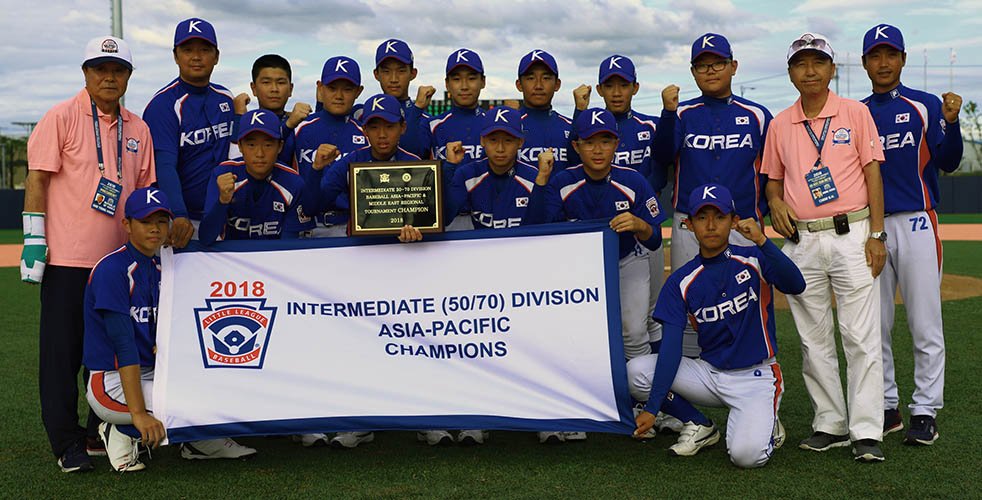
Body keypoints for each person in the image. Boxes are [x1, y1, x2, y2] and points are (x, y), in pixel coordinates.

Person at [23, 36, 155, 473]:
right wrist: (33, 238)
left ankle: (99, 430)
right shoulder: (59, 117)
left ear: (128, 77)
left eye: (118, 70)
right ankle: (66, 443)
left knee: (112, 354)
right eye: (100, 69)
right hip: (67, 261)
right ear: (85, 73)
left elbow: (144, 194)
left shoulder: (139, 129)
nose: (108, 77)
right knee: (62, 355)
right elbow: (38, 180)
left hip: (117, 265)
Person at [762, 32, 888, 462]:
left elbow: (873, 174)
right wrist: (775, 201)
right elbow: (772, 180)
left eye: (818, 62)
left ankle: (867, 430)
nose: (810, 71)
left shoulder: (855, 113)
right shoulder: (780, 124)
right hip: (802, 238)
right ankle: (830, 422)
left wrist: (876, 234)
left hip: (852, 232)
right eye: (801, 64)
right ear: (791, 72)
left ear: (833, 70)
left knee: (860, 335)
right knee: (812, 338)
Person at [628, 184, 804, 468]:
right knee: (636, 372)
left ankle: (765, 421)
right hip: (708, 374)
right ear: (688, 224)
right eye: (701, 217)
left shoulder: (753, 260)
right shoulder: (681, 281)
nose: (710, 225)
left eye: (719, 217)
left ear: (734, 221)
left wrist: (762, 241)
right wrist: (653, 406)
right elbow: (671, 347)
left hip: (755, 377)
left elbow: (796, 284)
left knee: (746, 457)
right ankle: (700, 424)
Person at [531, 108, 666, 443]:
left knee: (634, 332)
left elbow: (652, 239)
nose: (597, 149)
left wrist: (639, 224)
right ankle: (579, 408)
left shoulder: (632, 180)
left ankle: (646, 406)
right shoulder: (564, 181)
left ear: (615, 144)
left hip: (625, 259)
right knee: (577, 336)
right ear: (576, 146)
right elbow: (536, 227)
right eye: (590, 142)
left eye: (605, 140)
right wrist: (543, 178)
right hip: (578, 269)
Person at [859, 24, 963, 445]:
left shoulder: (925, 105)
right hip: (872, 227)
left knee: (925, 321)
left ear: (902, 59)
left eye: (890, 54)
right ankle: (886, 406)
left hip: (919, 221)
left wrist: (952, 123)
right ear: (865, 62)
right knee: (875, 324)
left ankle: (924, 410)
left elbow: (950, 161)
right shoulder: (856, 111)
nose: (883, 63)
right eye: (875, 55)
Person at [571, 56, 677, 430]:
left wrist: (668, 114)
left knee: (643, 324)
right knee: (591, 328)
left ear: (635, 86)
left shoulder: (648, 127)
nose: (616, 91)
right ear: (600, 89)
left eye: (623, 84)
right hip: (587, 255)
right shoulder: (581, 143)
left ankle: (650, 403)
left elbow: (664, 159)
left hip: (636, 230)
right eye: (609, 85)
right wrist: (578, 110)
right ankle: (601, 399)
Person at [653, 33, 773, 358]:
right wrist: (666, 112)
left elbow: (772, 170)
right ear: (693, 72)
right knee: (690, 301)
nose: (710, 70)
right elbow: (662, 155)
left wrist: (761, 209)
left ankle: (756, 374)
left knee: (748, 301)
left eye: (717, 63)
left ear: (733, 66)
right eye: (702, 65)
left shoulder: (758, 115)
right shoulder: (681, 114)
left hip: (742, 222)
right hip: (689, 225)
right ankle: (689, 380)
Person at [143, 18, 236, 248]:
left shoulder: (225, 98)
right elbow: (164, 165)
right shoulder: (163, 104)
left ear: (216, 56)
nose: (196, 57)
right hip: (184, 220)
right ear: (175, 56)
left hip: (225, 215)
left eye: (205, 50)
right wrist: (178, 213)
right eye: (187, 50)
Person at [199, 109, 307, 244]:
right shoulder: (223, 174)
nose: (260, 153)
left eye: (268, 145)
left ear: (280, 146)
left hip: (276, 258)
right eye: (251, 145)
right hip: (231, 260)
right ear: (240, 146)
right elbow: (205, 238)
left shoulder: (293, 183)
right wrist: (222, 201)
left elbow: (289, 245)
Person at [294, 56, 367, 237]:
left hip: (351, 226)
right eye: (332, 88)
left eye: (347, 89)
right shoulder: (300, 129)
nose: (339, 96)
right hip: (306, 226)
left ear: (358, 91)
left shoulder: (365, 133)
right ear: (320, 87)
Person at [232, 54, 312, 168]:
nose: (274, 89)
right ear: (253, 88)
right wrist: (239, 116)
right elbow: (235, 163)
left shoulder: (302, 124)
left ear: (291, 89)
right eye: (266, 82)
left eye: (281, 83)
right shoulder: (245, 125)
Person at [514, 50, 574, 169]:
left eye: (546, 78)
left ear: (557, 84)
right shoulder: (508, 127)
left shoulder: (571, 127)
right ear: (519, 85)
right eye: (531, 78)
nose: (538, 86)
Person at [372, 38, 432, 158]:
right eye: (386, 71)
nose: (394, 79)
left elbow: (407, 154)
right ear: (376, 74)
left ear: (413, 73)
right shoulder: (363, 116)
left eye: (401, 71)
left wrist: (417, 110)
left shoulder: (427, 121)